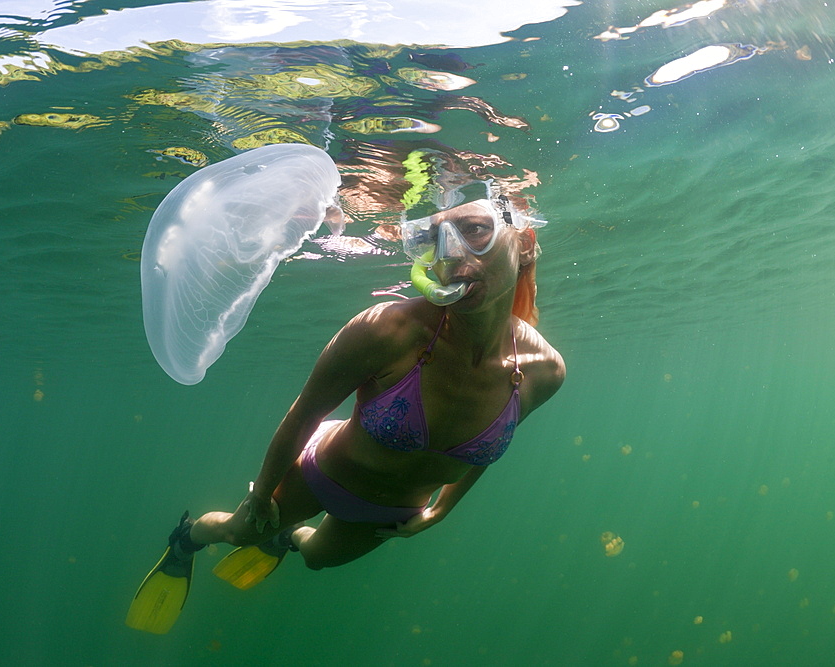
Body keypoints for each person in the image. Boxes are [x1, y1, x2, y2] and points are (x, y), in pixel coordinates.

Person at [125, 192, 565, 632]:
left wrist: (441, 511)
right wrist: (262, 494)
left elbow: (481, 454)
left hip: (395, 512)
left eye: (474, 230)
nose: (452, 253)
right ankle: (187, 540)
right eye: (433, 239)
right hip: (323, 470)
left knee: (317, 559)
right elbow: (304, 414)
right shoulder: (386, 329)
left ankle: (287, 536)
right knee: (241, 532)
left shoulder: (545, 371)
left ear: (523, 242)